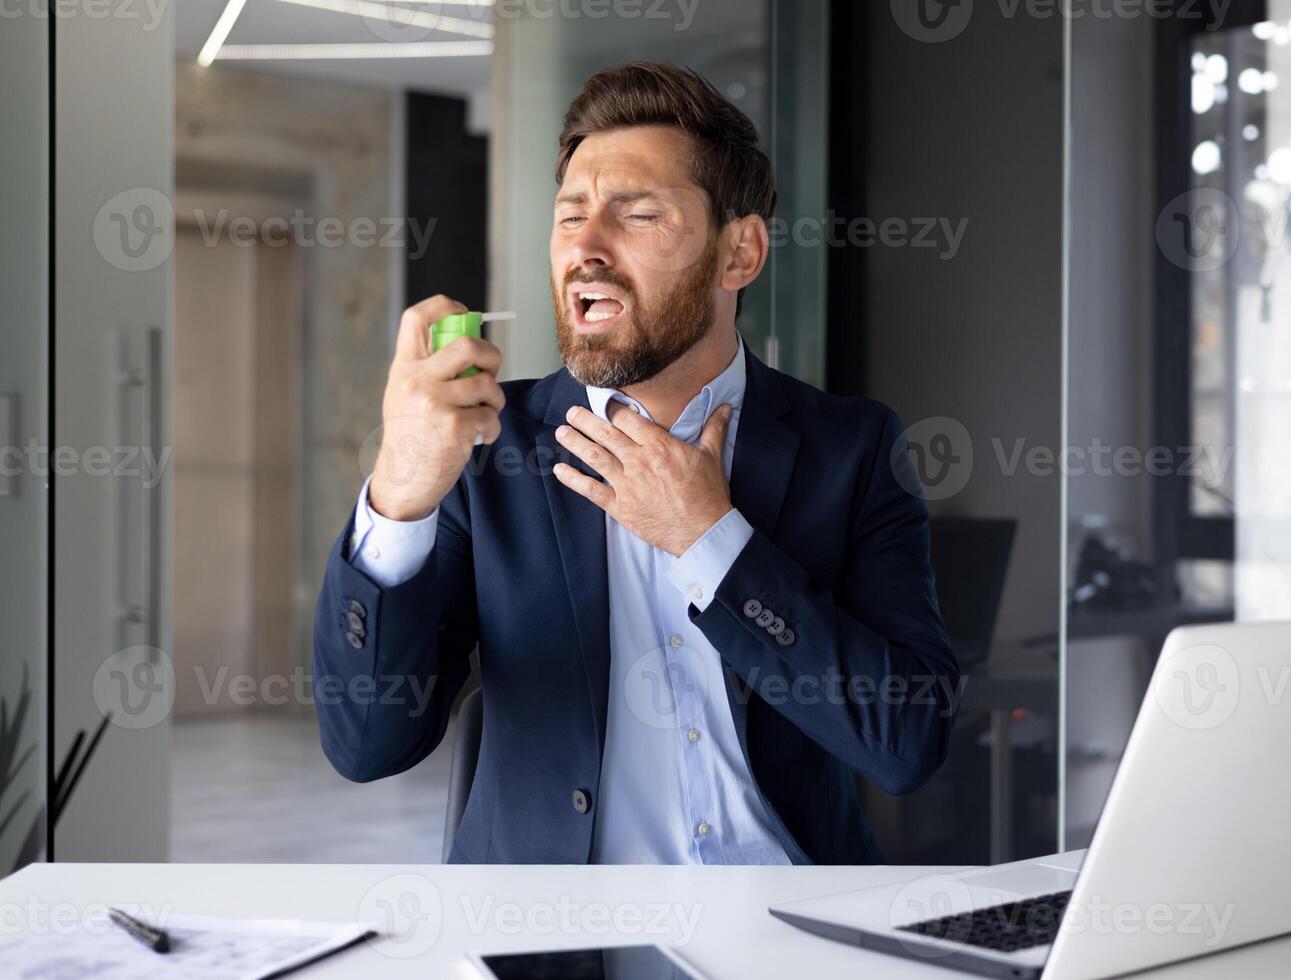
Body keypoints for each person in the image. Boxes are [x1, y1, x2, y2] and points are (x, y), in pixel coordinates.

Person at [312, 62, 956, 865]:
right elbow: (366, 746)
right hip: (558, 942)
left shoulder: (850, 447)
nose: (584, 246)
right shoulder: (486, 447)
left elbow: (907, 740)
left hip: (786, 926)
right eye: (569, 216)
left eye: (637, 214)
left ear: (739, 253)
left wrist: (710, 540)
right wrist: (400, 491)